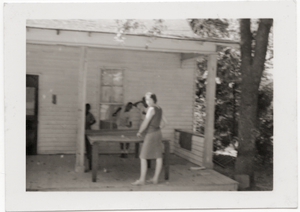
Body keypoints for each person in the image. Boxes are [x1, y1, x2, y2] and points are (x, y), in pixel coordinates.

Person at [131, 92, 168, 185]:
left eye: (148, 99)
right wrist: (158, 128)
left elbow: (145, 122)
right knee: (158, 156)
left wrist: (139, 131)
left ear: (153, 99)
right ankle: (155, 179)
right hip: (158, 133)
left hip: (151, 134)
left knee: (143, 156)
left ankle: (142, 180)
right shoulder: (159, 108)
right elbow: (165, 123)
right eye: (146, 99)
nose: (147, 101)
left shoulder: (151, 109)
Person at [85, 104, 96, 171]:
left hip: (88, 131)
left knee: (89, 147)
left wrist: (90, 123)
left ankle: (90, 165)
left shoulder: (90, 114)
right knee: (85, 146)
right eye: (86, 108)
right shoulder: (82, 113)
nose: (87, 109)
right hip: (82, 132)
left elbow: (94, 121)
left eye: (88, 108)